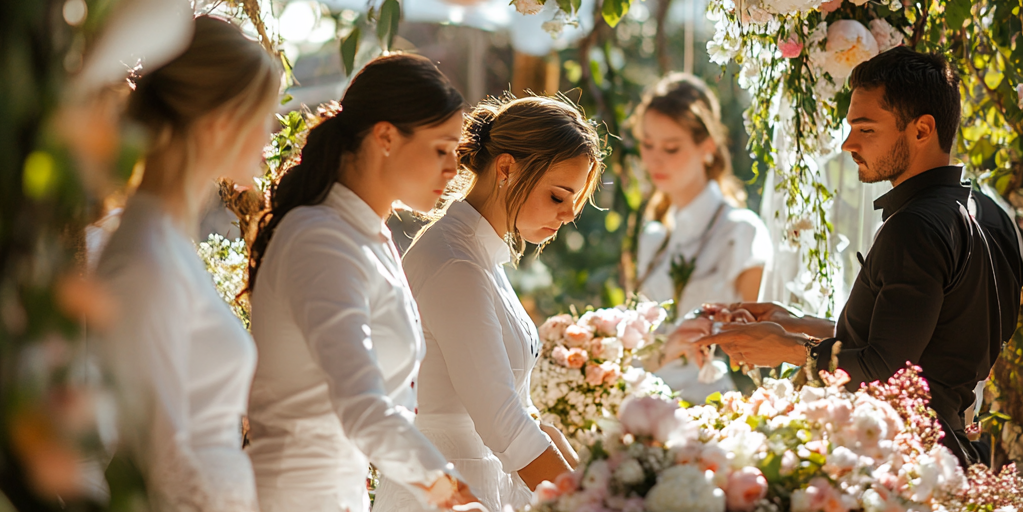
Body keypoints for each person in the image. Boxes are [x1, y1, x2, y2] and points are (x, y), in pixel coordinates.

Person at [686, 47, 1020, 467]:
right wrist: (790, 320)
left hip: (907, 457)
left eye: (866, 129)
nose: (847, 144)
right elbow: (917, 342)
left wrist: (790, 349)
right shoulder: (988, 215)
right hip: (946, 452)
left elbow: (886, 367)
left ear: (922, 130)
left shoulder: (914, 227)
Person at [244, 54, 478, 512]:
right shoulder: (322, 240)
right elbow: (363, 407)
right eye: (441, 149)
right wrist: (456, 500)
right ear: (386, 136)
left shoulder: (366, 234)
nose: (453, 169)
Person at [373, 95, 605, 512]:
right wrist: (595, 503)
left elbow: (519, 410)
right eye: (558, 196)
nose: (570, 214)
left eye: (575, 201)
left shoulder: (480, 257)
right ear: (506, 168)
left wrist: (591, 475)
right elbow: (502, 422)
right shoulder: (455, 264)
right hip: (446, 487)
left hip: (479, 480)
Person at [95, 15, 279, 512]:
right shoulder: (145, 260)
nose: (271, 136)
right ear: (221, 121)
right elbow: (155, 461)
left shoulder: (169, 244)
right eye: (265, 115)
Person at [633, 73, 771, 400]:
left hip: (712, 406)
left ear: (706, 147)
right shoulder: (653, 238)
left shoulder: (741, 232)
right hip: (646, 400)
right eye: (647, 144)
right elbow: (640, 348)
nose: (654, 159)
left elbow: (757, 355)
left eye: (671, 147)